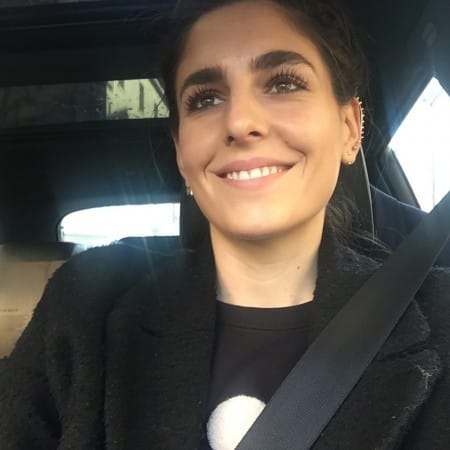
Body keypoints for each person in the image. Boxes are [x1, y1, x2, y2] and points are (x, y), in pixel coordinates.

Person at [0, 1, 449, 449]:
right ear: (181, 151)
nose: (239, 122)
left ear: (349, 128)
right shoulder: (86, 309)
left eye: (284, 83)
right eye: (206, 99)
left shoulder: (440, 312)